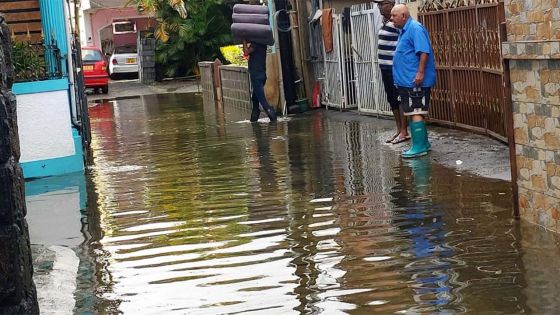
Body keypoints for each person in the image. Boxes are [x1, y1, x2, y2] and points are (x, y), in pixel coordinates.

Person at [391, 4, 436, 158]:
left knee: (415, 111)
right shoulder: (404, 30)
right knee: (414, 111)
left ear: (404, 15)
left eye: (394, 16)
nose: (391, 19)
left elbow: (424, 51)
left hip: (414, 80)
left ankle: (418, 147)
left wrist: (420, 72)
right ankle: (423, 143)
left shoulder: (415, 28)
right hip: (407, 80)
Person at [374, 0, 409, 144]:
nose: (380, 7)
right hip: (385, 67)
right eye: (378, 5)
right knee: (391, 98)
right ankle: (398, 129)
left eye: (382, 4)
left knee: (399, 97)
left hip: (394, 67)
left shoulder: (397, 23)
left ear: (391, 4)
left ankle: (404, 131)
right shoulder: (383, 21)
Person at [243, 40, 277, 122]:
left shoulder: (255, 44)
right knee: (255, 98)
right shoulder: (262, 44)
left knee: (263, 102)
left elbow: (246, 52)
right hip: (262, 75)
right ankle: (254, 119)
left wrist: (243, 41)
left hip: (256, 77)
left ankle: (274, 119)